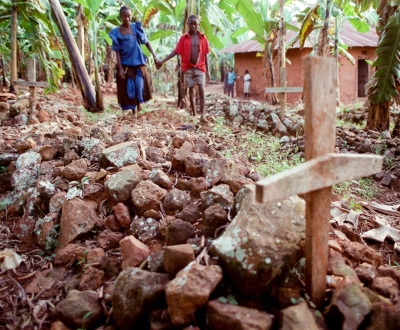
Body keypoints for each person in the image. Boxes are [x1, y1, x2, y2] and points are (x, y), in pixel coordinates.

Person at [108, 6, 161, 118]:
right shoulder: (117, 32)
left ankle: (139, 104)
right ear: (121, 17)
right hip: (126, 64)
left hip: (139, 63)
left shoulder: (136, 27)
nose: (127, 19)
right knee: (129, 89)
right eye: (124, 16)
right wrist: (121, 68)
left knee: (139, 86)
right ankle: (133, 111)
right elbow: (117, 51)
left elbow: (146, 42)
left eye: (129, 16)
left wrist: (154, 56)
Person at [158, 14, 210, 123]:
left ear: (198, 25)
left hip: (200, 68)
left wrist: (208, 71)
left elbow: (206, 54)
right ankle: (194, 114)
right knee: (191, 91)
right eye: (191, 24)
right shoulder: (183, 38)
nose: (193, 26)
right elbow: (176, 51)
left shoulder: (202, 37)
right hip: (188, 68)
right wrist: (163, 60)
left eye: (195, 24)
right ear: (187, 24)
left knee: (201, 90)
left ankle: (203, 115)